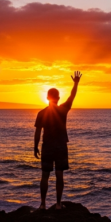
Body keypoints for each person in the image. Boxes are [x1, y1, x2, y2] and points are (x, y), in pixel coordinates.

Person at [34, 71, 82, 210]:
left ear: (47, 97)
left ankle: (43, 204)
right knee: (59, 174)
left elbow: (37, 131)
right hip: (60, 145)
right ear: (58, 98)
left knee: (45, 175)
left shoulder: (42, 113)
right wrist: (76, 83)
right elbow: (72, 96)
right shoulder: (63, 110)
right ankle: (59, 205)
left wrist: (35, 146)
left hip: (47, 146)